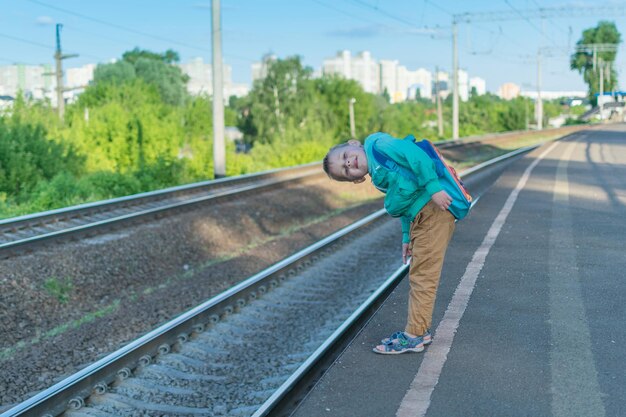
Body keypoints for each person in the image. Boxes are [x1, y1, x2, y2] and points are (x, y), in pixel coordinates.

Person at [322, 133, 456, 354]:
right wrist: (406, 236)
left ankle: (414, 336)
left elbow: (414, 156)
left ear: (354, 144)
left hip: (433, 212)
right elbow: (405, 202)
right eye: (346, 170)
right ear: (357, 180)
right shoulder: (377, 175)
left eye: (345, 156)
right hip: (421, 218)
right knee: (420, 274)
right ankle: (420, 330)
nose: (348, 163)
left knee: (423, 277)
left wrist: (433, 188)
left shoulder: (379, 146)